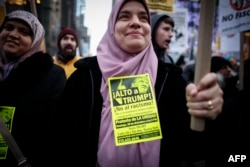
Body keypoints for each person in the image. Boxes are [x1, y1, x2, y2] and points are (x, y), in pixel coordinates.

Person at [51, 0, 223, 166]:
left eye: (143, 18)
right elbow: (60, 141)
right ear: (111, 27)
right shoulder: (83, 77)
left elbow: (194, 149)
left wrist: (206, 113)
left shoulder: (170, 79)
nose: (136, 23)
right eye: (125, 16)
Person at [0, 10, 67, 167]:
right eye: (8, 27)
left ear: (35, 40)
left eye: (24, 32)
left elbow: (57, 134)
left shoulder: (51, 76)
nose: (13, 35)